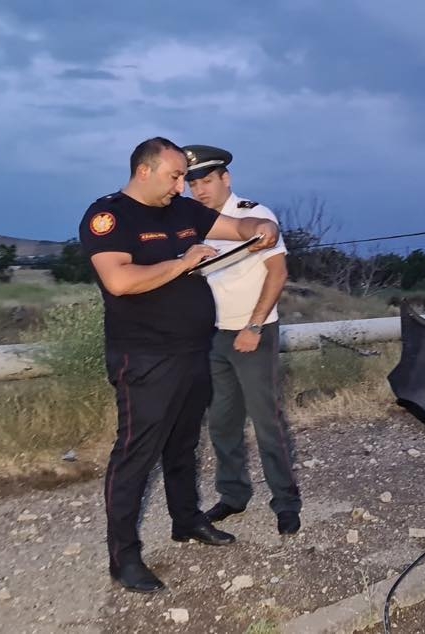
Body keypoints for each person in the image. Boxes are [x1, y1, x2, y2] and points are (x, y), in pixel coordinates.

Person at [78, 137, 280, 594]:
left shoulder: (183, 211)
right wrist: (182, 262)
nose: (180, 187)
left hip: (193, 349)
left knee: (183, 445)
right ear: (144, 171)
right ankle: (124, 557)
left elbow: (237, 226)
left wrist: (261, 226)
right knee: (135, 454)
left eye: (183, 178)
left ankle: (186, 521)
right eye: (174, 177)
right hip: (144, 356)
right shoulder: (109, 216)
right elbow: (119, 280)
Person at [182, 144, 303, 535]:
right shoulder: (194, 224)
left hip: (253, 333)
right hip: (213, 335)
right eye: (193, 184)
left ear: (225, 178)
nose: (200, 190)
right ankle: (233, 495)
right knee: (222, 422)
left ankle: (286, 503)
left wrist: (253, 327)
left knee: (267, 421)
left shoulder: (254, 215)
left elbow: (278, 273)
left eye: (206, 181)